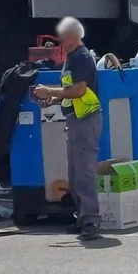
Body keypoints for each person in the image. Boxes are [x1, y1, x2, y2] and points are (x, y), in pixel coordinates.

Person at [32, 17, 103, 240]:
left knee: (83, 170)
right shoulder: (73, 57)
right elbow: (70, 92)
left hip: (85, 120)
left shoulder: (80, 58)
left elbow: (79, 90)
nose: (59, 40)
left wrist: (49, 92)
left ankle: (91, 219)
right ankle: (82, 217)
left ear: (72, 37)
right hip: (77, 119)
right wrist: (53, 101)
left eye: (62, 36)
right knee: (75, 172)